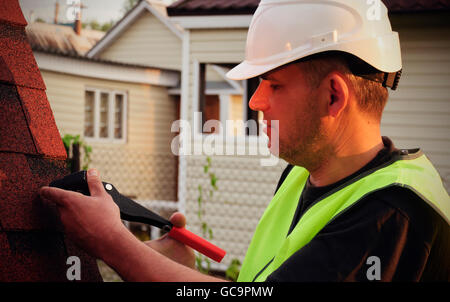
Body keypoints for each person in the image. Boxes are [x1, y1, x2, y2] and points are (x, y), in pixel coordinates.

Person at [39, 0, 449, 281]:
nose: (255, 101)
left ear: (333, 95)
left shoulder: (393, 213)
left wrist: (113, 244)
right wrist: (164, 267)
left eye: (273, 84)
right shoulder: (300, 177)